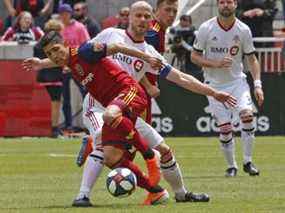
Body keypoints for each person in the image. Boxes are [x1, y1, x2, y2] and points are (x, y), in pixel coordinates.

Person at [71, 1, 237, 207]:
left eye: (146, 17)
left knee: (165, 150)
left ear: (151, 21)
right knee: (103, 145)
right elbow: (82, 53)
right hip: (97, 106)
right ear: (129, 17)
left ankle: (182, 194)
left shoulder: (151, 53)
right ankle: (82, 196)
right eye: (138, 15)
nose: (142, 20)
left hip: (126, 111)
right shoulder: (110, 34)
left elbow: (182, 78)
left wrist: (214, 92)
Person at [23, 30, 174, 205]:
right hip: (116, 107)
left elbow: (117, 47)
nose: (54, 55)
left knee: (109, 115)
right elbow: (58, 59)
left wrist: (146, 57)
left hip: (129, 91)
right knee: (111, 158)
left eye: (56, 49)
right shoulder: (69, 61)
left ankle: (149, 156)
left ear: (65, 43)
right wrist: (41, 63)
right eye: (49, 53)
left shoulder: (86, 51)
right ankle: (156, 192)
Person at [191, 0, 264, 177]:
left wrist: (258, 85)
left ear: (235, 4)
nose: (225, 5)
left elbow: (252, 59)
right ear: (218, 5)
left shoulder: (243, 29)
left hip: (237, 83)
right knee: (225, 128)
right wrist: (215, 64)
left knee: (247, 115)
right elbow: (194, 56)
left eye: (229, 1)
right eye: (222, 2)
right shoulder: (206, 28)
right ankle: (232, 166)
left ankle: (248, 161)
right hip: (213, 86)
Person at [143, 0, 178, 124]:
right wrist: (148, 86)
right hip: (136, 88)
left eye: (174, 11)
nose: (171, 15)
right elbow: (133, 62)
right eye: (167, 10)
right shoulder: (152, 33)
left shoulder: (160, 31)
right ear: (156, 11)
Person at [59, 3, 90, 131]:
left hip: (77, 65)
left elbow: (86, 45)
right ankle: (68, 125)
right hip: (63, 67)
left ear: (70, 13)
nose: (64, 16)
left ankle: (88, 123)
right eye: (61, 14)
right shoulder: (59, 28)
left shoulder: (79, 27)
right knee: (65, 97)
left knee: (86, 94)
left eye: (66, 13)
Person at [34, 19, 63, 138]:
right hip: (54, 76)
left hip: (41, 77)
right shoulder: (55, 43)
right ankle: (55, 129)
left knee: (48, 104)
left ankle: (52, 128)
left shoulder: (39, 43)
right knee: (55, 103)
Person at [169, 14, 202, 79]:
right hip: (180, 62)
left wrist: (183, 44)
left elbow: (196, 50)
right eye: (181, 20)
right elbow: (172, 48)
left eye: (185, 20)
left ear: (190, 22)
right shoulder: (178, 33)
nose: (183, 22)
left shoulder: (195, 34)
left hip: (192, 64)